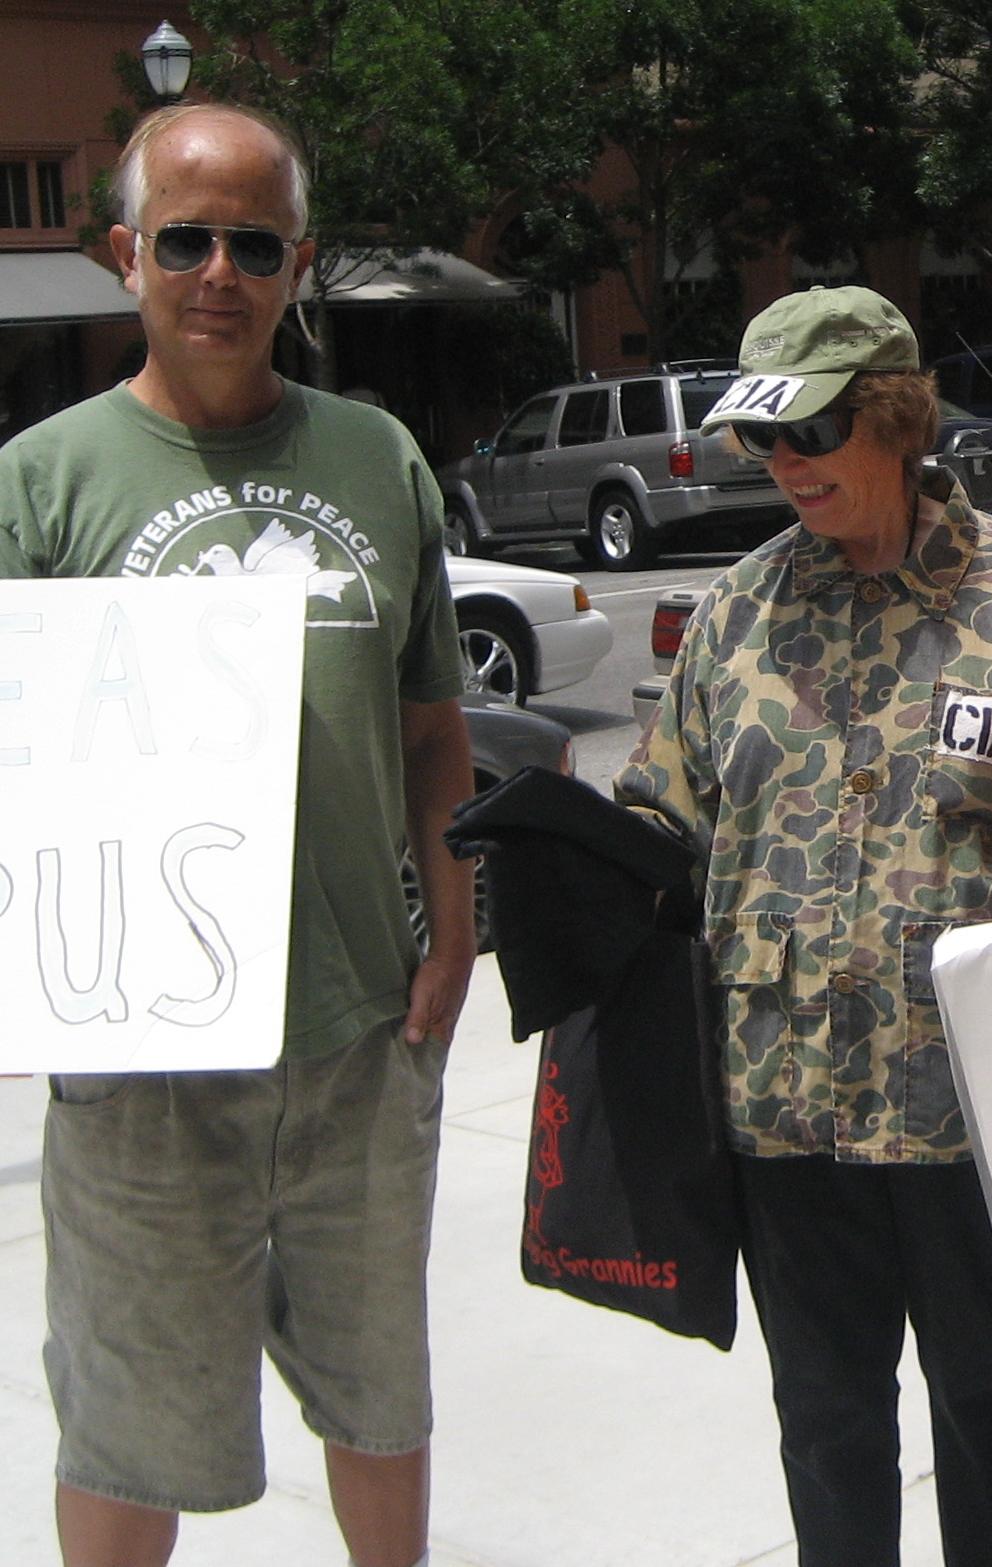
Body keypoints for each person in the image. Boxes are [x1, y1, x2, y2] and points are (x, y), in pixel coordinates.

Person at [0, 104, 474, 1567]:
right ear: (125, 252)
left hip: (356, 1035)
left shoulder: (377, 456)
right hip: (137, 1059)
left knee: (379, 1399)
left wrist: (454, 937)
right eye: (187, 239)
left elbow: (432, 728)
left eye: (256, 245)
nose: (220, 272)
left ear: (299, 266)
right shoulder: (42, 479)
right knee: (126, 1421)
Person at [616, 285, 992, 1567]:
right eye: (763, 439)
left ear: (894, 418)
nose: (785, 464)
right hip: (787, 1111)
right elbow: (662, 822)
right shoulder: (736, 612)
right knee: (824, 1425)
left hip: (974, 1121)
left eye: (812, 432)